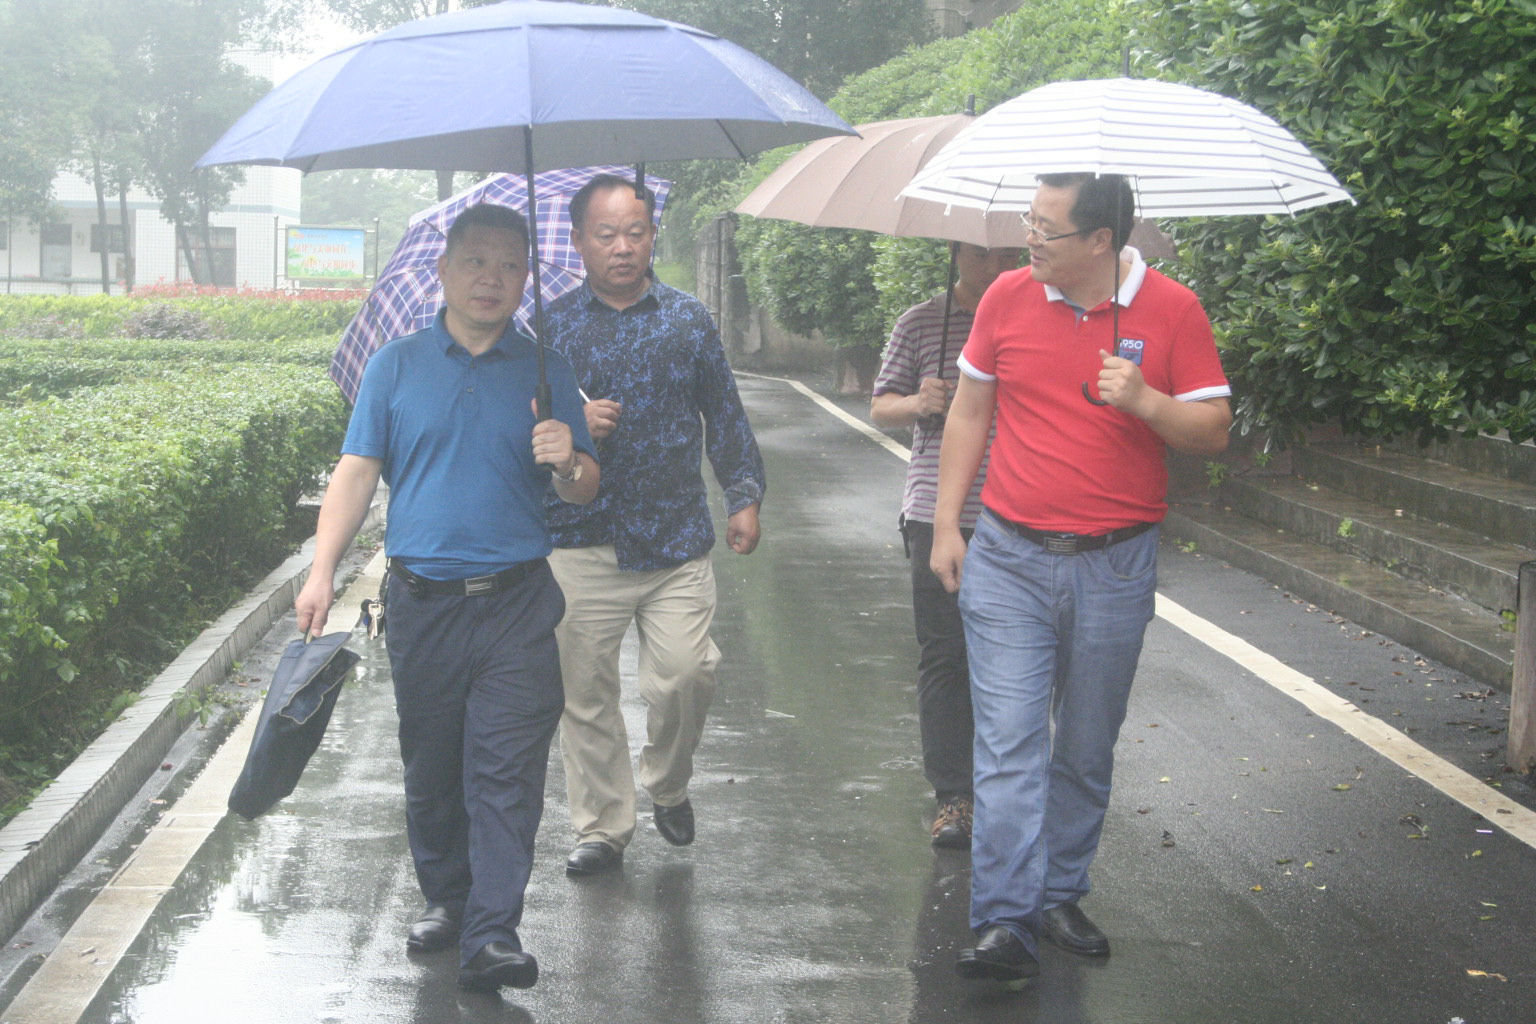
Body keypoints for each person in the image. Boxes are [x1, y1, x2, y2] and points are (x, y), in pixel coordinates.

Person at [929, 173, 1232, 983]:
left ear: (1101, 240)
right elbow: (969, 409)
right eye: (1028, 219)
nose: (1028, 238)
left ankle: (1059, 889)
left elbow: (1212, 428)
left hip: (1116, 561)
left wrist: (1146, 402)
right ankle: (1005, 920)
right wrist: (946, 522)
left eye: (1046, 227)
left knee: (1087, 744)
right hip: (1008, 557)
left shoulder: (1172, 309)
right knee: (1009, 744)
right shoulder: (1004, 297)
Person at [294, 203, 599, 993]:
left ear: (526, 277)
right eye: (476, 261)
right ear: (444, 270)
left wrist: (568, 457)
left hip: (518, 603)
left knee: (505, 769)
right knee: (433, 764)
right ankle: (446, 898)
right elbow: (357, 471)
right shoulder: (395, 365)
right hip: (424, 603)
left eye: (508, 264)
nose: (491, 278)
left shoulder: (547, 370)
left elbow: (587, 487)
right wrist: (323, 567)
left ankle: (494, 931)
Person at [543, 173, 765, 877]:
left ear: (652, 237)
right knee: (586, 694)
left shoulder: (687, 319)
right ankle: (602, 827)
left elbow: (722, 413)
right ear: (579, 241)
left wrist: (742, 493)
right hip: (581, 539)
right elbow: (525, 425)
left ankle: (667, 782)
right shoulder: (548, 327)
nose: (622, 247)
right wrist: (575, 426)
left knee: (685, 674)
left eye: (635, 233)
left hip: (674, 540)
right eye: (605, 234)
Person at [870, 243, 1021, 849]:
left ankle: (1010, 794)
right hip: (937, 515)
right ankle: (954, 797)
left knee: (1016, 663)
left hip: (1020, 511)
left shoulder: (1034, 317)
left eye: (1010, 254)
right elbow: (880, 405)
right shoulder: (921, 323)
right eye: (984, 255)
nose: (997, 266)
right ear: (956, 252)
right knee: (945, 655)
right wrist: (918, 402)